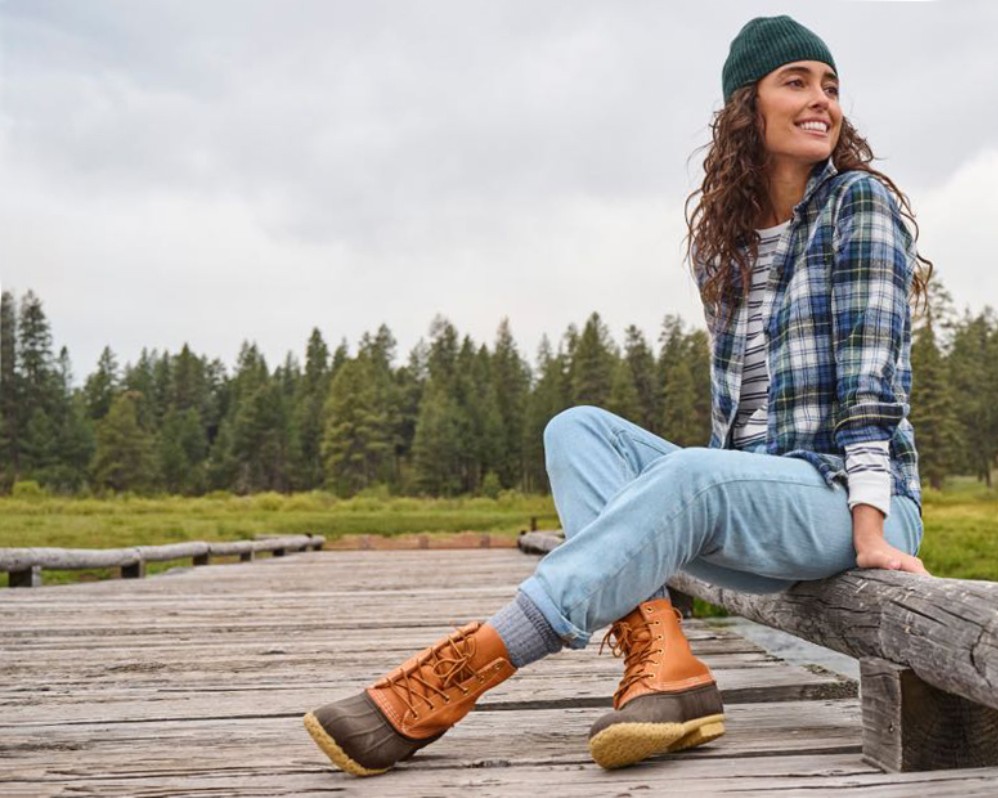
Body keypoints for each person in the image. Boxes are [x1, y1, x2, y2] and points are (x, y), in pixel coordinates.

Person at [303, 14, 931, 777]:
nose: (821, 100)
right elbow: (734, 418)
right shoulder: (727, 248)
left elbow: (875, 382)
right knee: (576, 430)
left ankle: (464, 669)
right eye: (795, 81)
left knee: (696, 475)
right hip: (759, 504)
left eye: (830, 86)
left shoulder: (856, 203)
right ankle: (665, 659)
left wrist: (870, 532)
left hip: (848, 500)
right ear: (747, 107)